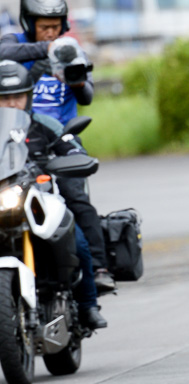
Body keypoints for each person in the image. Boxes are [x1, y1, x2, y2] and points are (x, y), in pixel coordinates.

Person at [0, 0, 114, 293]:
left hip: (59, 137)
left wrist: (75, 80)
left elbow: (86, 96)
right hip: (13, 135)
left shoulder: (71, 49)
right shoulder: (16, 43)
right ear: (29, 24)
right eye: (43, 27)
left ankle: (99, 268)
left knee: (75, 199)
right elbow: (3, 52)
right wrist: (47, 52)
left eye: (54, 27)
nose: (50, 33)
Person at [0, 59, 106, 329]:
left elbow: (70, 145)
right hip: (5, 198)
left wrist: (73, 155)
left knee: (77, 240)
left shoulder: (43, 124)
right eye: (5, 98)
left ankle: (88, 306)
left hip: (43, 197)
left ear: (29, 96)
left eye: (18, 96)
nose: (12, 103)